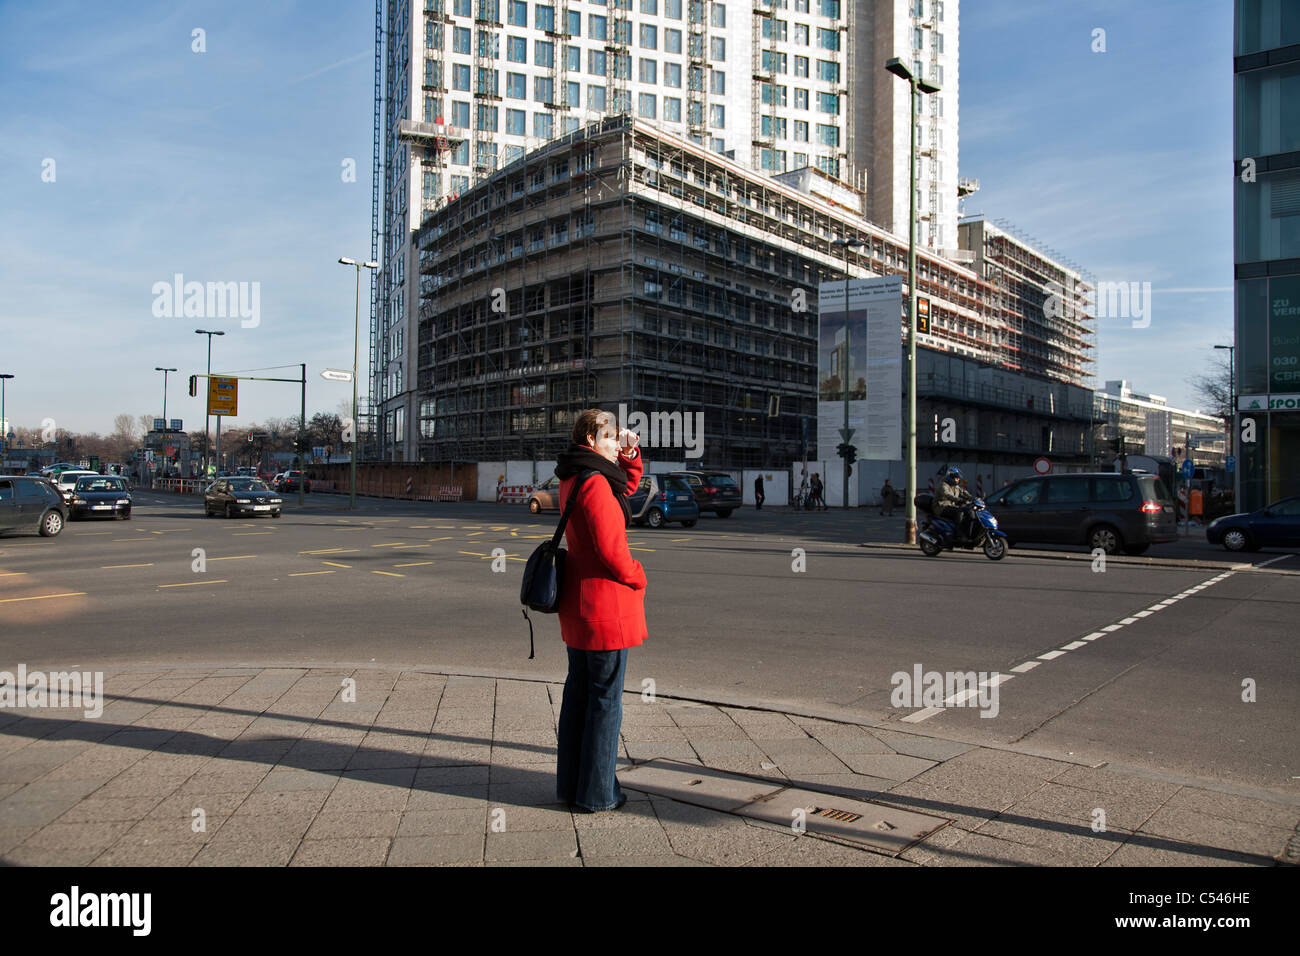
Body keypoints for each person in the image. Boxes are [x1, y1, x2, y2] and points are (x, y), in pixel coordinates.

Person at [553, 409, 646, 812]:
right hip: (604, 606)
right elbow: (611, 549)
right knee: (605, 702)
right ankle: (598, 794)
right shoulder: (594, 483)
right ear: (591, 441)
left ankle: (572, 787)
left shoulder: (575, 476)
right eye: (610, 437)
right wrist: (637, 575)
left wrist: (629, 452)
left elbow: (625, 486)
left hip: (580, 607)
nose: (616, 442)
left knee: (579, 697)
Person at [934, 466, 975, 541]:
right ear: (950, 477)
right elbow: (947, 495)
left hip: (950, 506)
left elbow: (964, 493)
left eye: (958, 478)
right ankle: (959, 534)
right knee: (959, 512)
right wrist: (959, 500)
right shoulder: (943, 485)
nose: (958, 480)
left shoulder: (955, 486)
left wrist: (973, 498)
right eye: (956, 478)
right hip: (941, 507)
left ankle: (968, 533)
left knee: (969, 511)